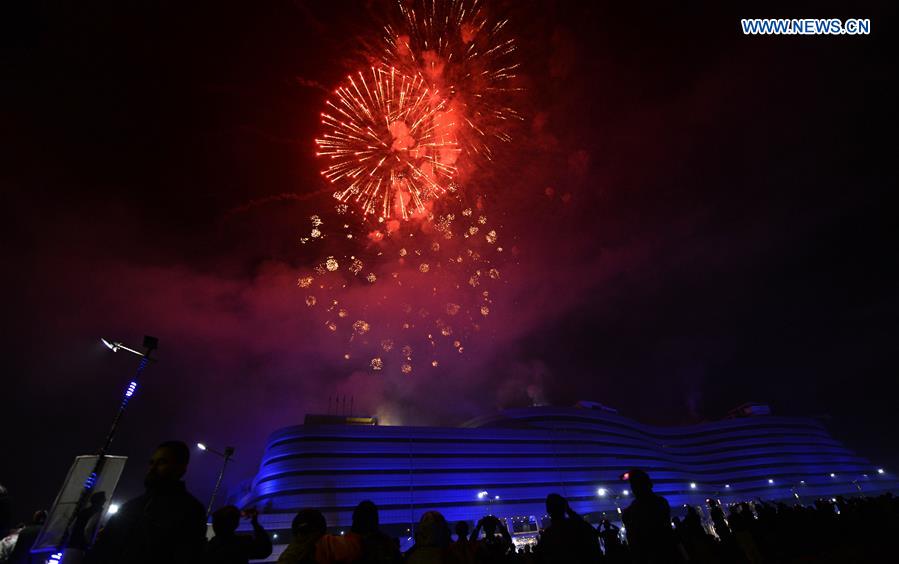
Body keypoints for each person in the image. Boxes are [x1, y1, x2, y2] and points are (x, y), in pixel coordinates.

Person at [84, 440, 207, 564]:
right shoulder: (130, 507)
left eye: (162, 462)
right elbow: (103, 549)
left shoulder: (190, 511)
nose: (152, 468)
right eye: (151, 462)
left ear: (181, 468)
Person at [620, 469, 680, 564]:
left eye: (637, 484)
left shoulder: (654, 503)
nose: (634, 488)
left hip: (658, 552)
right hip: (655, 553)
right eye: (633, 485)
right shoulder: (658, 502)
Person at [534, 494, 600, 564]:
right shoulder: (575, 526)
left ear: (548, 510)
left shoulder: (548, 534)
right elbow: (592, 532)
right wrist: (569, 511)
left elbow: (540, 557)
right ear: (564, 507)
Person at [205, 506, 272, 564]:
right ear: (236, 524)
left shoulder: (207, 547)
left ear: (214, 525)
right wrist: (255, 523)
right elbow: (265, 550)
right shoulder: (243, 544)